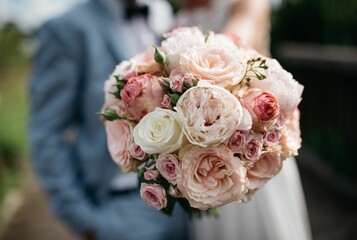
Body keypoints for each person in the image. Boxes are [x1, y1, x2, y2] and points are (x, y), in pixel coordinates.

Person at [27, 0, 190, 239]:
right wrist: (86, 222)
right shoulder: (67, 29)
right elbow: (46, 133)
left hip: (190, 204)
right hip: (123, 211)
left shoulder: (162, 12)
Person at [173, 0, 313, 240]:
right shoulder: (180, 16)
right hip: (201, 168)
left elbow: (231, 45)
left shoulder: (248, 4)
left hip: (251, 158)